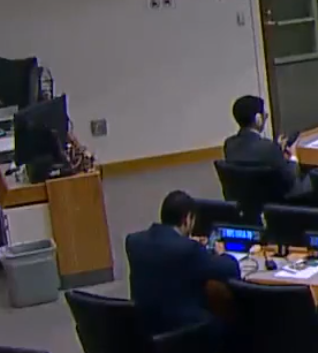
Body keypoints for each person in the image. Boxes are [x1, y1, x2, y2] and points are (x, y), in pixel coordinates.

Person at [125, 191, 241, 338]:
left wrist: (191, 243)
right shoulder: (189, 250)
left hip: (145, 327)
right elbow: (230, 268)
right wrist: (221, 253)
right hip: (183, 331)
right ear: (187, 219)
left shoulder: (134, 242)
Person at [222, 95, 304, 195]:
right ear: (258, 119)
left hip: (247, 201)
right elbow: (290, 179)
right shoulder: (269, 148)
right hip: (277, 200)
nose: (266, 116)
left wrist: (276, 148)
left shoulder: (229, 144)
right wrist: (293, 158)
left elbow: (253, 154)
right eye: (264, 114)